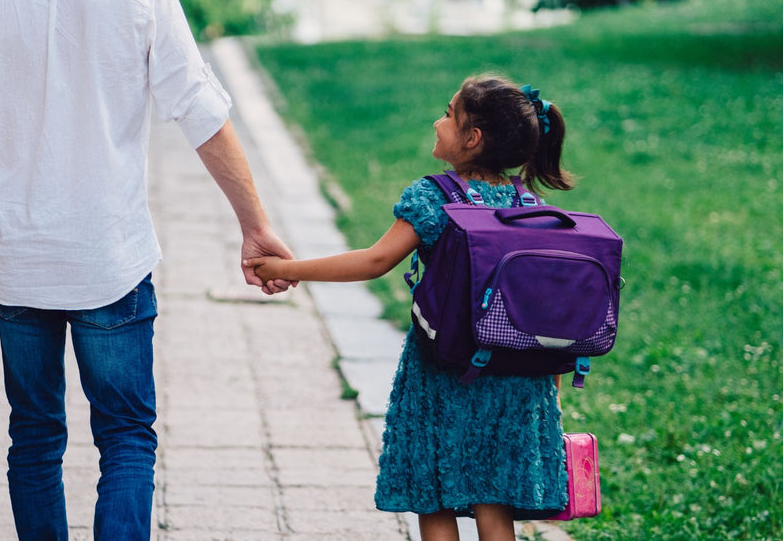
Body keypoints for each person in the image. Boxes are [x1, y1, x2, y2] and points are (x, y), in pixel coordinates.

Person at [0, 0, 295, 538]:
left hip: (22, 263)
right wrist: (255, 226)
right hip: (111, 262)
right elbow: (200, 112)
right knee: (126, 435)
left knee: (33, 436)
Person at [245, 74, 573, 541]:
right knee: (493, 503)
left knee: (432, 493)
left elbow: (375, 260)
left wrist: (289, 267)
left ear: (472, 138)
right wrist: (551, 379)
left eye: (448, 113)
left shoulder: (435, 197)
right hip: (517, 377)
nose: (438, 121)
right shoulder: (530, 205)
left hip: (443, 370)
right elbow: (540, 303)